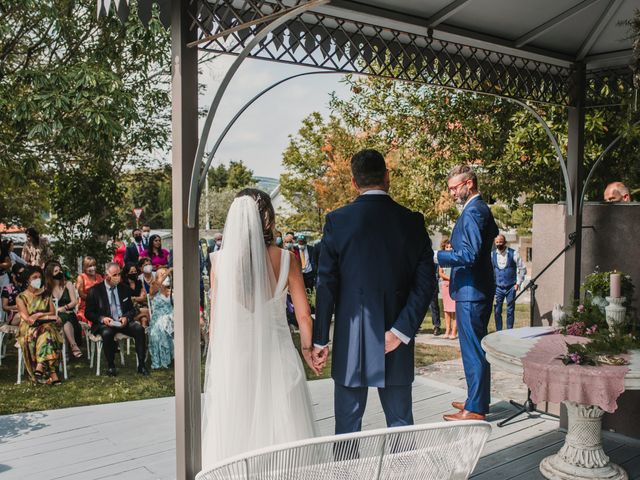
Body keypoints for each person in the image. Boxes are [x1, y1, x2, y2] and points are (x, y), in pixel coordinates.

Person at [313, 149, 436, 436]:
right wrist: (401, 331)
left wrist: (321, 339)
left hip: (351, 336)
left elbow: (326, 283)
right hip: (396, 337)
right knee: (400, 424)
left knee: (346, 428)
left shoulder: (337, 221)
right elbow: (425, 283)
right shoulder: (412, 221)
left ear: (354, 183)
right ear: (387, 177)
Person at [201, 188, 319, 468]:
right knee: (284, 425)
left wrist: (218, 362)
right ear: (268, 219)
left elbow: (216, 320)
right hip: (277, 356)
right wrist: (307, 349)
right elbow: (304, 316)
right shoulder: (288, 258)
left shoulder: (219, 261)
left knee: (238, 422)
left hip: (237, 358)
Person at [438, 165, 499, 422]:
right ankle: (477, 398)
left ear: (469, 183)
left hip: (471, 291)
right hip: (475, 288)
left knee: (473, 349)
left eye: (455, 188)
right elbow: (492, 235)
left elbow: (471, 254)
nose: (452, 193)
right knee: (475, 348)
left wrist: (437, 255)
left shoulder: (474, 211)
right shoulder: (480, 209)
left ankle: (475, 409)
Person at [85, 262, 148, 377]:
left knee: (139, 329)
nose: (118, 277)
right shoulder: (95, 291)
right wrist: (102, 318)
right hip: (106, 324)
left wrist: (126, 317)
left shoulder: (124, 289)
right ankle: (111, 365)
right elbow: (88, 313)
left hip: (121, 322)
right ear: (106, 276)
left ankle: (141, 365)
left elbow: (132, 310)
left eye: (119, 274)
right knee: (107, 333)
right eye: (115, 275)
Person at [15, 266, 63, 384]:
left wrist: (38, 315)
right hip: (29, 329)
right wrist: (40, 317)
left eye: (39, 277)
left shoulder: (46, 294)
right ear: (28, 280)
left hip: (46, 326)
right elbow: (27, 319)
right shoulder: (21, 297)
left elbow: (52, 312)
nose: (38, 279)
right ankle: (52, 372)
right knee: (47, 332)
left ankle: (40, 365)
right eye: (34, 277)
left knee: (46, 330)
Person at [44, 261, 83, 359]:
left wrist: (64, 308)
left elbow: (75, 301)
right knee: (63, 320)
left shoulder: (67, 284)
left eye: (60, 270)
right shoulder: (47, 288)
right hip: (54, 315)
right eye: (56, 271)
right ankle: (73, 346)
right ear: (50, 274)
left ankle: (73, 346)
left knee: (66, 319)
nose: (59, 272)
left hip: (68, 313)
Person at [492, 234, 527, 331]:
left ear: (505, 242)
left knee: (510, 310)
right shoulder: (492, 255)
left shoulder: (513, 253)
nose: (499, 244)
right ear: (495, 243)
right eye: (497, 242)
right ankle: (498, 330)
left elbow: (522, 268)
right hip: (497, 287)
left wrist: (518, 283)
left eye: (501, 242)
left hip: (511, 286)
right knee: (497, 310)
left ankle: (509, 330)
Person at [148, 267, 174, 369]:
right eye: (162, 275)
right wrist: (168, 271)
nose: (165, 276)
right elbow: (158, 284)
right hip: (158, 318)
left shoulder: (171, 291)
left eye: (166, 275)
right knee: (160, 327)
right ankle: (161, 359)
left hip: (171, 317)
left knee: (168, 320)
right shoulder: (154, 289)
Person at [76, 256, 103, 326]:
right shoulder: (81, 277)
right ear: (85, 267)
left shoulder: (99, 277)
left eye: (94, 265)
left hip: (100, 306)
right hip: (86, 306)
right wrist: (93, 299)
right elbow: (81, 294)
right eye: (90, 266)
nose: (93, 268)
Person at [439, 238, 457, 339]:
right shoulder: (442, 260)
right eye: (447, 247)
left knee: (454, 310)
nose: (449, 248)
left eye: (450, 247)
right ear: (444, 248)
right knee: (446, 310)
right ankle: (447, 330)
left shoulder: (456, 259)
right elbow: (441, 273)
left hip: (455, 286)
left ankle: (454, 332)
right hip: (445, 285)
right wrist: (450, 278)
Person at [123, 262, 150, 327]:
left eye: (135, 271)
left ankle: (144, 335)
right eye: (131, 272)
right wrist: (137, 298)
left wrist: (133, 298)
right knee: (147, 312)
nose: (134, 273)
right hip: (130, 309)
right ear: (126, 274)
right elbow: (126, 300)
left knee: (144, 319)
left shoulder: (139, 282)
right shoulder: (123, 285)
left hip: (141, 305)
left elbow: (143, 297)